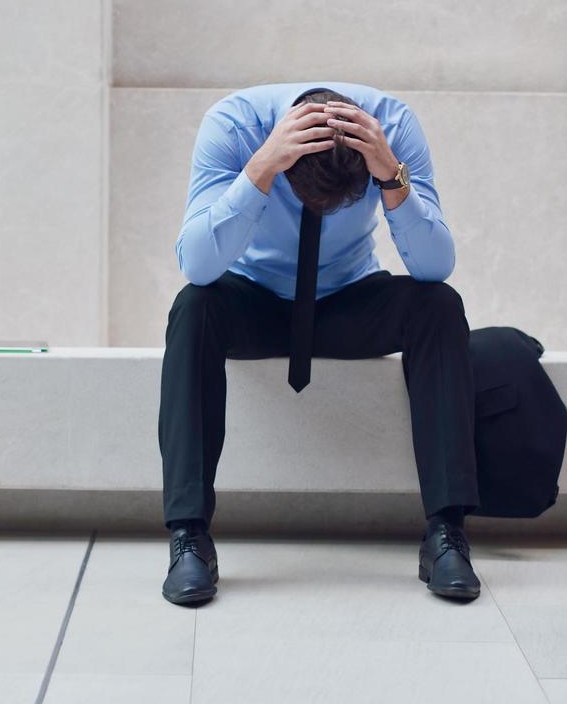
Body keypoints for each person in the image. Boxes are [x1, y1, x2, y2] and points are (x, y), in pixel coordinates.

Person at [158, 81, 482, 606]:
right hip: (254, 299)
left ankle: (447, 535)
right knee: (194, 307)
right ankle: (189, 537)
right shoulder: (234, 125)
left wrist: (392, 177)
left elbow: (434, 264)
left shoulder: (393, 126)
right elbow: (197, 264)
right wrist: (261, 168)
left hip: (346, 297)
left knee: (438, 304)